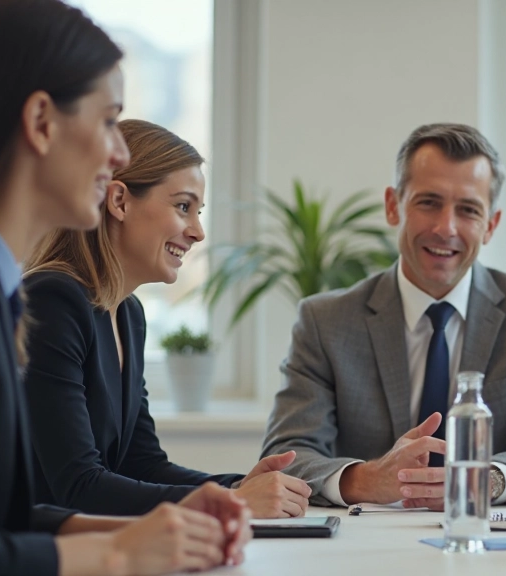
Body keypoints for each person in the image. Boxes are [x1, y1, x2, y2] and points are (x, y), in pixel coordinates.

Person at [0, 1, 251, 574]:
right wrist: (117, 552)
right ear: (40, 122)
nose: (120, 153)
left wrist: (173, 523)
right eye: (108, 121)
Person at [262, 123, 506, 509]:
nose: (445, 228)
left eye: (468, 210)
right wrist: (366, 479)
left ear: (491, 225)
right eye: (429, 202)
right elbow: (288, 452)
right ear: (393, 206)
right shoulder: (325, 321)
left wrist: (491, 480)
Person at [22, 119, 311, 518]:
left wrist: (240, 486)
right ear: (119, 201)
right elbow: (78, 486)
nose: (197, 232)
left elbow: (142, 464)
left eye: (199, 211)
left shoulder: (127, 313)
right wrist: (234, 502)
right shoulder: (52, 300)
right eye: (183, 207)